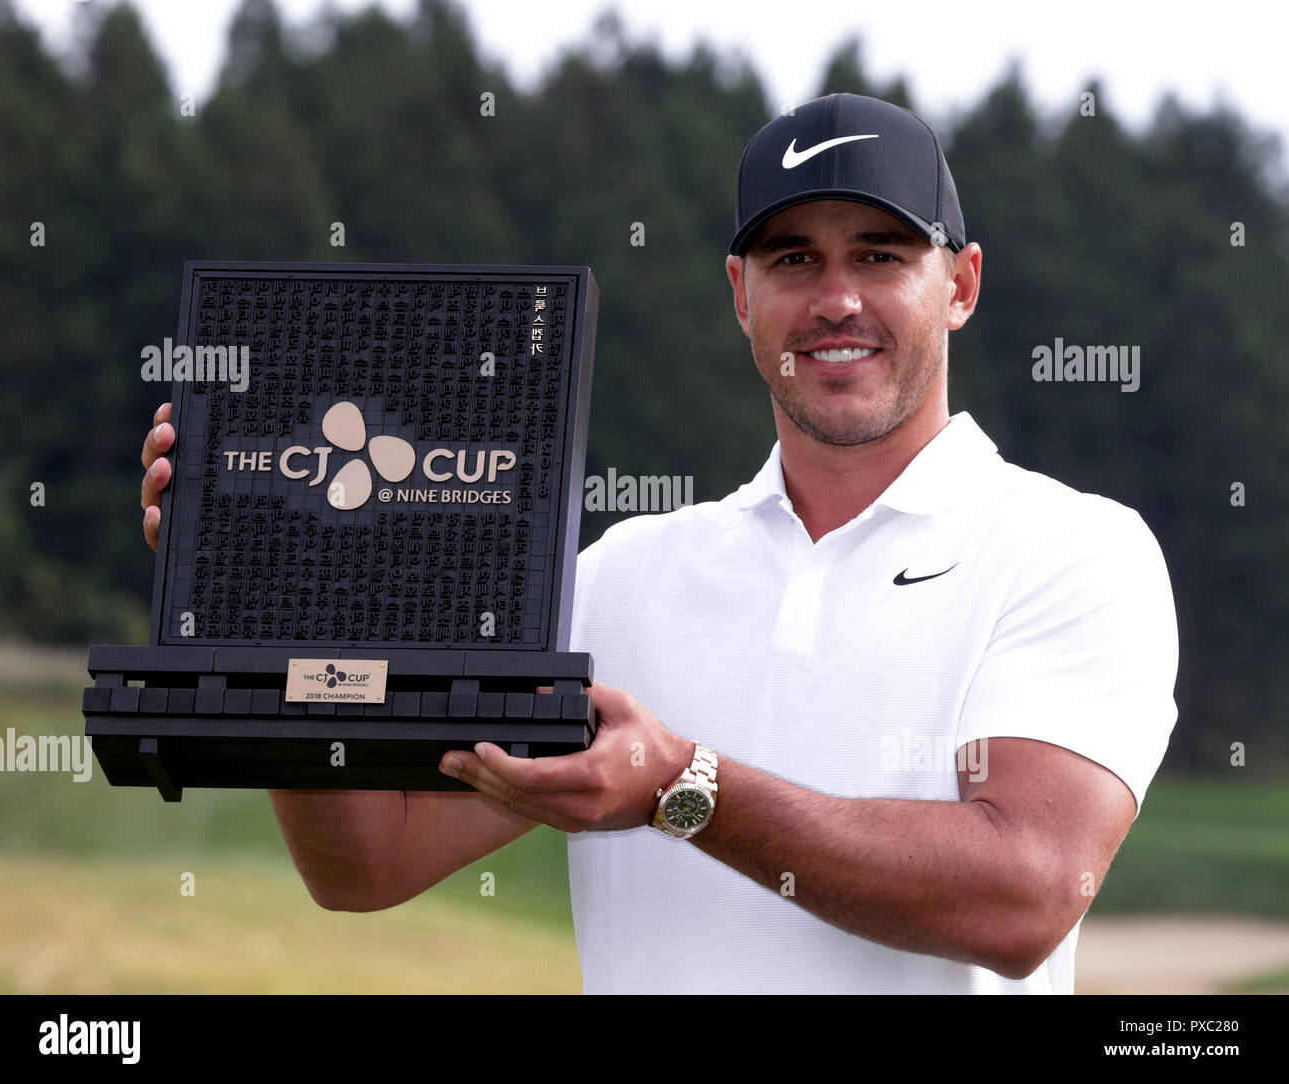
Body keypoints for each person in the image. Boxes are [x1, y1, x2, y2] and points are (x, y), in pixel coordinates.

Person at [139, 93, 1178, 994]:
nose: (834, 299)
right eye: (791, 258)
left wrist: (685, 788)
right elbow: (370, 861)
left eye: (880, 253)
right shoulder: (616, 577)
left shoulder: (1074, 549)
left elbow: (1027, 891)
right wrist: (260, 589)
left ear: (959, 284)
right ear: (739, 293)